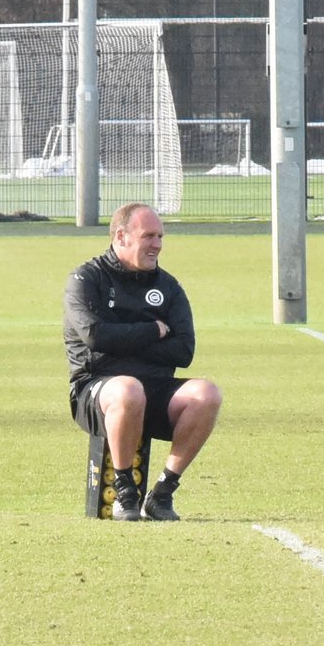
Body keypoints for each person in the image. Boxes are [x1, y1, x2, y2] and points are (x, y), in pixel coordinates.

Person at [63, 202, 222, 521]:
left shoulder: (168, 287)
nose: (158, 244)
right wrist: (153, 330)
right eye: (149, 235)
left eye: (161, 236)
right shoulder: (86, 279)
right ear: (121, 236)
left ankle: (162, 493)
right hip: (96, 393)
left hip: (157, 390)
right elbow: (96, 337)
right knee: (128, 389)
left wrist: (122, 339)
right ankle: (124, 492)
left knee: (207, 395)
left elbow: (184, 351)